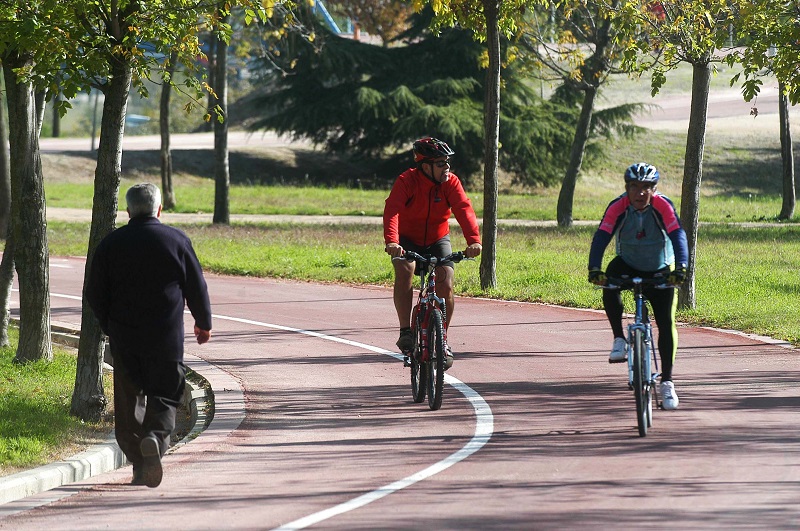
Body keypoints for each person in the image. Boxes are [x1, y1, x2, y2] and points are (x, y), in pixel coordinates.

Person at [86, 183, 212, 488]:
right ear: (159, 209)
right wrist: (203, 322)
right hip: (165, 340)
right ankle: (155, 438)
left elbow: (93, 292)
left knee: (130, 405)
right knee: (166, 397)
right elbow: (196, 286)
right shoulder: (176, 241)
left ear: (128, 211)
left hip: (125, 340)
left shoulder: (111, 244)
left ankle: (139, 466)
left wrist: (108, 324)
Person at [587, 163, 688, 410]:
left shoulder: (662, 206)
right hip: (628, 264)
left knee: (665, 322)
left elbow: (678, 235)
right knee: (609, 278)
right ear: (626, 188)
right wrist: (594, 269)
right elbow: (602, 235)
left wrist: (681, 268)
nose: (640, 193)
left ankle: (667, 382)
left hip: (660, 267)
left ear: (654, 190)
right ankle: (619, 339)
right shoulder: (618, 206)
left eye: (646, 188)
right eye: (634, 187)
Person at [383, 137, 482, 370]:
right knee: (405, 269)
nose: (446, 168)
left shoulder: (451, 183)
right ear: (425, 166)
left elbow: (464, 209)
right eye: (440, 163)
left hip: (438, 239)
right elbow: (392, 211)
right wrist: (392, 242)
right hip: (407, 240)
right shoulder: (406, 181)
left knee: (446, 280)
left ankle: (443, 340)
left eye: (447, 162)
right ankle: (405, 331)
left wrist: (474, 241)